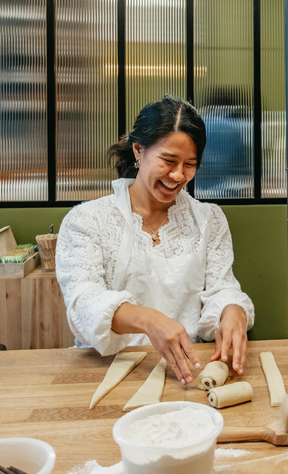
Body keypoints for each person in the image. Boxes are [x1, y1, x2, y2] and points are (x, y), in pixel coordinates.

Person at [56, 95, 254, 385]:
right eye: (168, 161)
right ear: (139, 150)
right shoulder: (87, 220)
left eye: (190, 164)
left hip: (186, 371)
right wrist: (148, 320)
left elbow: (222, 287)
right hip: (105, 373)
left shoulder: (209, 219)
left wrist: (232, 310)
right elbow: (83, 302)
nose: (178, 175)